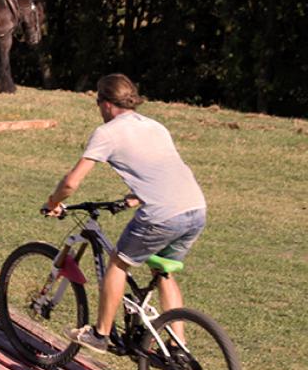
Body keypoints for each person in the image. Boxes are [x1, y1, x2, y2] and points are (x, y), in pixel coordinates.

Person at [43, 73, 207, 353]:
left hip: (162, 213)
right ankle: (178, 346)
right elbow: (161, 169)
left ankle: (100, 334)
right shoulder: (155, 126)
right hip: (195, 208)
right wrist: (135, 197)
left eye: (97, 102)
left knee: (118, 263)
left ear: (107, 104)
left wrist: (52, 202)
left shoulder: (107, 132)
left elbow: (71, 182)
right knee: (163, 271)